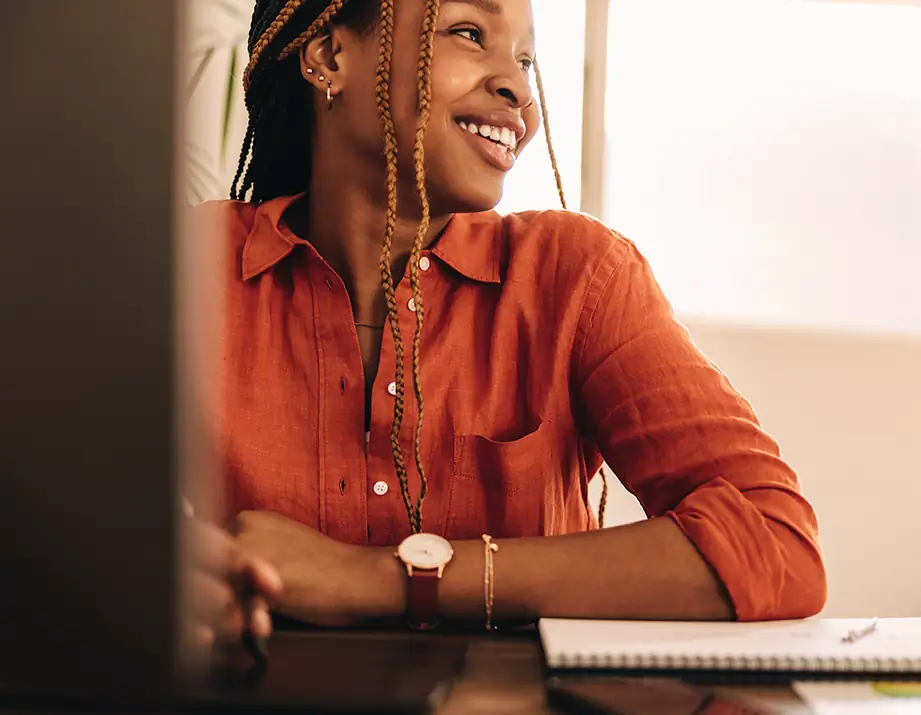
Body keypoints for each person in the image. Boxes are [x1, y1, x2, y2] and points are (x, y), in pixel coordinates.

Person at [193, 0, 825, 636]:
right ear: (330, 56)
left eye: (526, 59)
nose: (518, 89)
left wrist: (380, 577)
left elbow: (775, 541)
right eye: (470, 33)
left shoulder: (576, 278)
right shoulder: (184, 269)